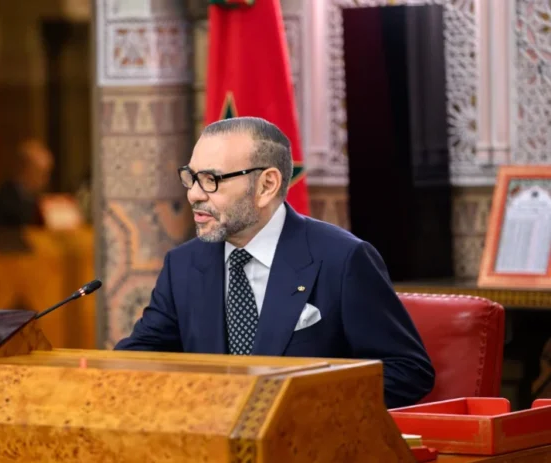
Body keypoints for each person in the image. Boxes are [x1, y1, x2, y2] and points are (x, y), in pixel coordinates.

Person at [114, 117, 435, 408]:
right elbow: (141, 356)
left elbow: (407, 370)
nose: (194, 194)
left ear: (266, 185)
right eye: (191, 177)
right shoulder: (183, 264)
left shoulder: (343, 259)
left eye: (211, 179)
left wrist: (302, 407)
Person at [0, 138, 54, 228]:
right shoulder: (2, 199)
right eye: (40, 173)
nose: (45, 179)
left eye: (47, 173)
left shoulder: (39, 198)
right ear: (25, 169)